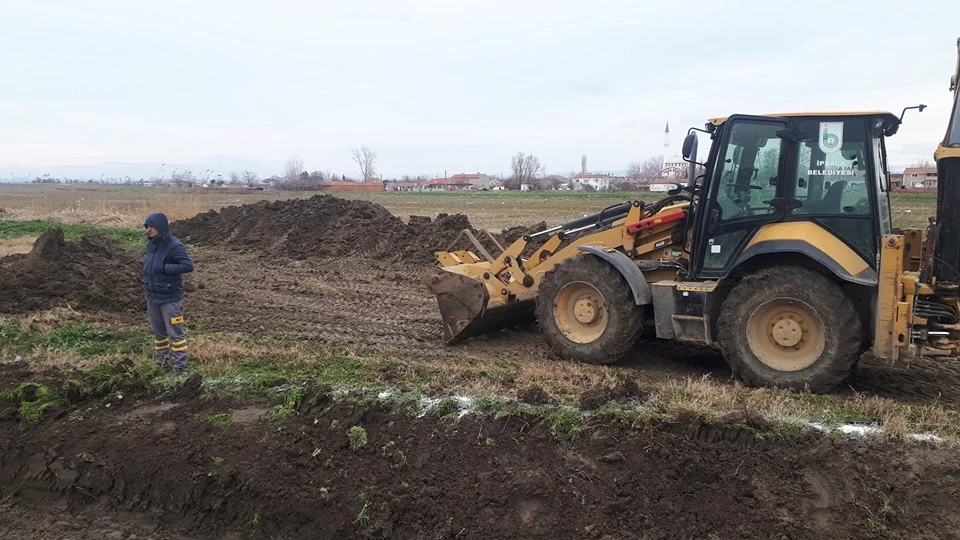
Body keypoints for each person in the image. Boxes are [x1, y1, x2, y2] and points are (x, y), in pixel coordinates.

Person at [142, 212, 194, 374]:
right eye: (147, 226)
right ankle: (162, 359)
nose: (148, 230)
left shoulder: (174, 245)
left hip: (170, 297)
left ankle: (179, 365)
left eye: (151, 227)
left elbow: (187, 266)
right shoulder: (151, 244)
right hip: (153, 295)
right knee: (159, 332)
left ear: (160, 228)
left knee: (175, 332)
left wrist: (165, 268)